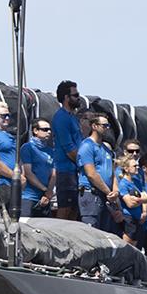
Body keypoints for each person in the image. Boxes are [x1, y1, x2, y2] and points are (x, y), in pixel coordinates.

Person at [76, 114, 117, 231]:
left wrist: (115, 191)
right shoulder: (87, 146)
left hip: (105, 197)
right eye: (104, 125)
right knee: (91, 233)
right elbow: (91, 174)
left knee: (104, 234)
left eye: (108, 125)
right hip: (91, 195)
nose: (107, 128)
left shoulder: (106, 148)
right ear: (94, 126)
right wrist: (109, 192)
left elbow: (112, 172)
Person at [52, 80, 82, 220]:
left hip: (75, 172)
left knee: (74, 209)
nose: (78, 98)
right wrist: (86, 164)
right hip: (66, 172)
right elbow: (69, 148)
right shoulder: (61, 118)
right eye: (75, 95)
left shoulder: (73, 117)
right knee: (65, 210)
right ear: (66, 97)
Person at [20, 118, 55, 217]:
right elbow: (28, 173)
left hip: (45, 198)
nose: (48, 132)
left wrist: (48, 193)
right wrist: (45, 189)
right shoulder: (27, 148)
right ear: (35, 131)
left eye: (49, 130)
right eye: (45, 129)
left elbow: (53, 174)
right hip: (28, 197)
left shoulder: (51, 151)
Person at [116, 154, 147, 246]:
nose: (137, 167)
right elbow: (130, 204)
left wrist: (138, 200)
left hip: (137, 218)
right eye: (134, 166)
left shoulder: (137, 182)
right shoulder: (123, 184)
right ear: (126, 169)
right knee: (127, 246)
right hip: (128, 218)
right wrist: (142, 200)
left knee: (134, 246)